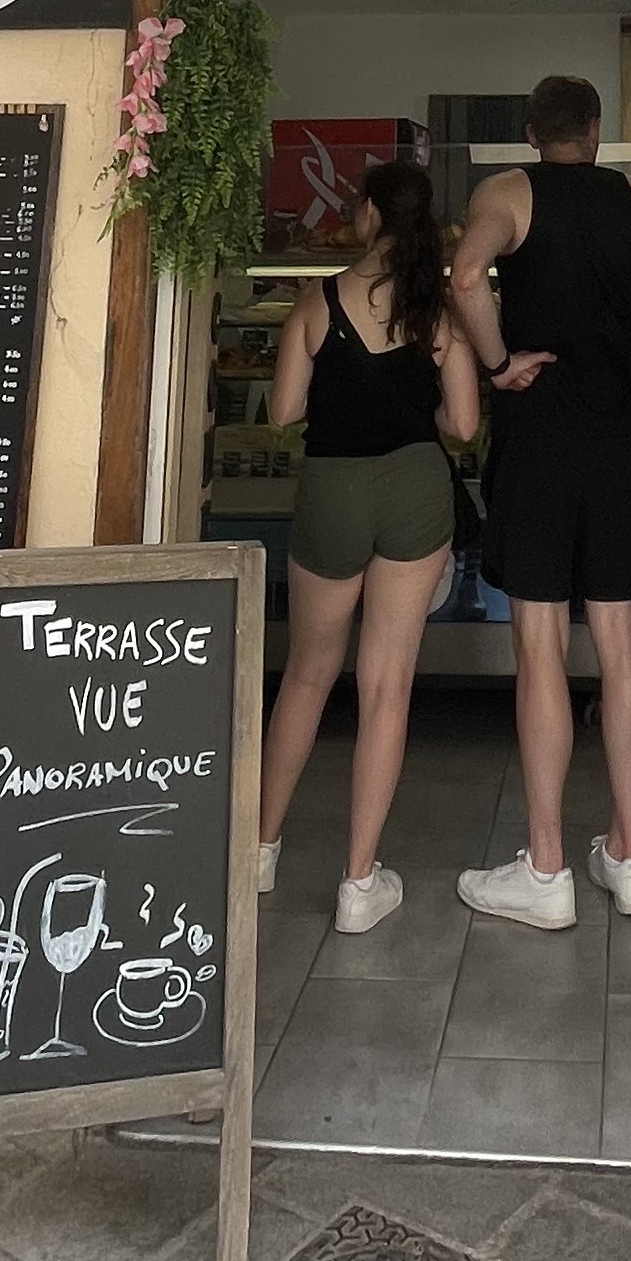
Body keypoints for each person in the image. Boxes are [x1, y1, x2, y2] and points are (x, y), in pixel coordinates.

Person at [447, 73, 631, 929]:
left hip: (539, 440)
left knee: (540, 646)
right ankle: (628, 854)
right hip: (615, 437)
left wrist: (500, 364)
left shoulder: (506, 192)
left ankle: (546, 869)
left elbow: (468, 273)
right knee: (621, 645)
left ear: (533, 134)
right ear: (597, 129)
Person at [254, 157, 480, 934]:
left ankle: (259, 850)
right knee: (387, 688)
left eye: (357, 205)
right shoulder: (436, 312)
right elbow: (464, 426)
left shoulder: (316, 302)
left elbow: (283, 411)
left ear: (374, 213)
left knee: (307, 675)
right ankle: (358, 884)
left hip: (333, 490)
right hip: (416, 491)